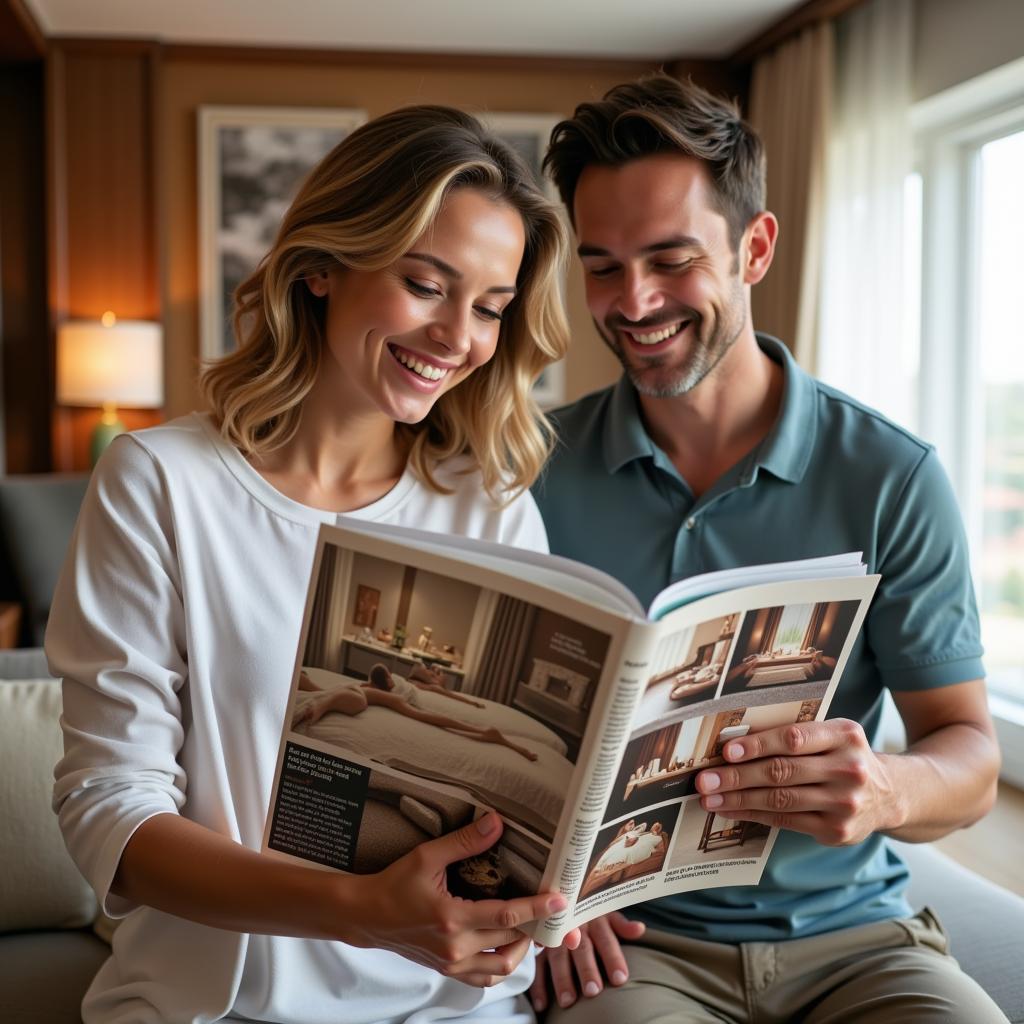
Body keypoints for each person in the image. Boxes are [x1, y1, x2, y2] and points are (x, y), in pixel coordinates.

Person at [46, 105, 579, 1024]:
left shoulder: (490, 508)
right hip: (211, 1006)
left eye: (491, 309)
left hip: (452, 1009)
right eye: (425, 284)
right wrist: (364, 915)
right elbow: (112, 813)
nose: (458, 338)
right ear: (323, 268)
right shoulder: (162, 483)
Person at [530, 74, 1006, 1022]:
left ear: (755, 248)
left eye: (671, 259)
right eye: (602, 266)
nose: (634, 300)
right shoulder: (533, 469)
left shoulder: (892, 477)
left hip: (859, 944)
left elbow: (973, 758)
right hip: (635, 951)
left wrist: (886, 789)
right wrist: (538, 898)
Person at [294, 664, 538, 761]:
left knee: (351, 694)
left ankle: (320, 698)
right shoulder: (410, 683)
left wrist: (472, 707)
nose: (431, 671)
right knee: (352, 694)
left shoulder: (410, 684)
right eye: (431, 670)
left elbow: (438, 699)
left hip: (368, 691)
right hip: (368, 690)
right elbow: (432, 705)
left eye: (433, 672)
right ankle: (320, 698)